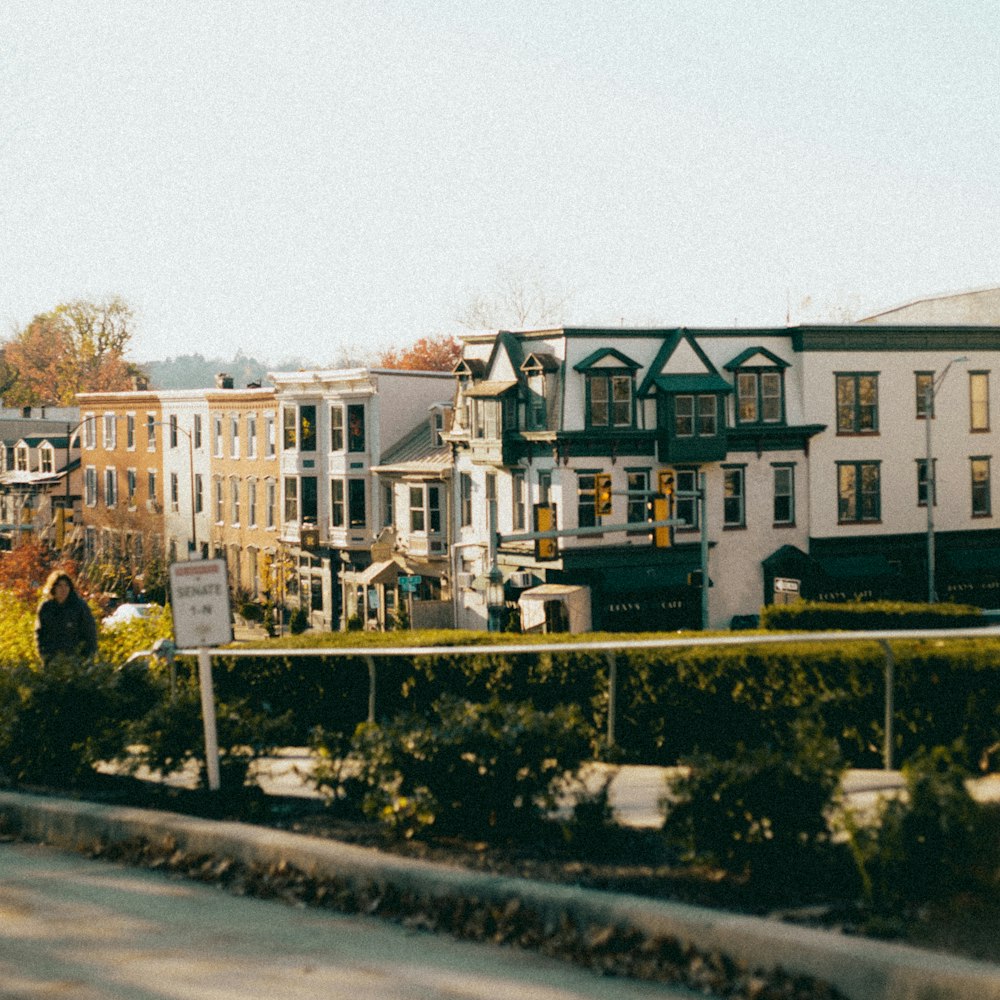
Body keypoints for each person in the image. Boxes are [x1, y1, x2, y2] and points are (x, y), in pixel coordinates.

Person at [35, 570, 98, 666]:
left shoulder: (79, 607)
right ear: (53, 588)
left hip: (77, 660)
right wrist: (45, 656)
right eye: (59, 586)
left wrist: (88, 658)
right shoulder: (46, 608)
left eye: (66, 585)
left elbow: (90, 633)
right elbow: (40, 634)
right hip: (53, 660)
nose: (63, 589)